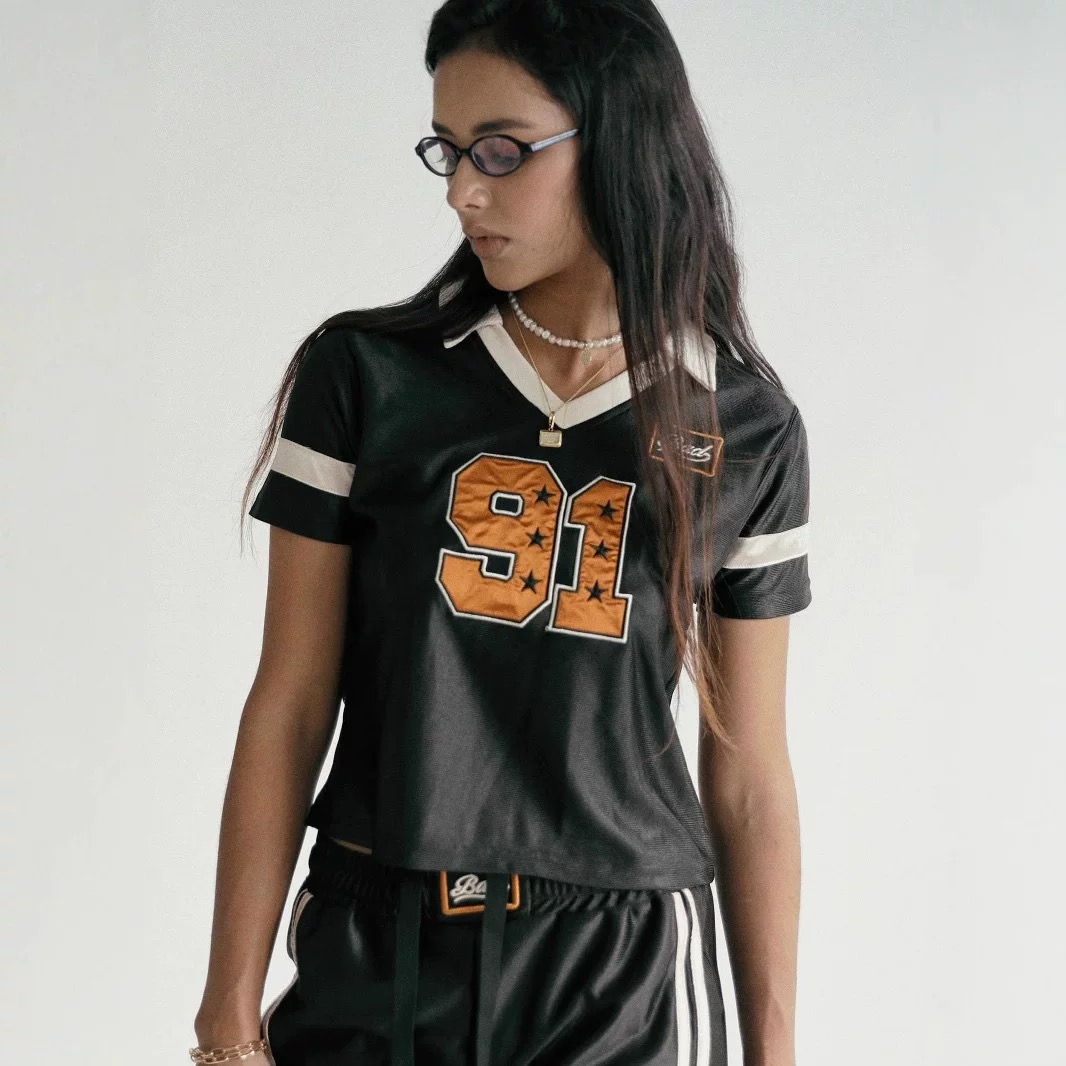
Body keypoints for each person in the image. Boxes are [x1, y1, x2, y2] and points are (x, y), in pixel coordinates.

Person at [191, 2, 811, 1064]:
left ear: (618, 136)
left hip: (613, 970)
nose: (461, 191)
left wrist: (776, 1050)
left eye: (501, 149)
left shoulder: (744, 428)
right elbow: (289, 700)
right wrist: (226, 1015)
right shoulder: (367, 377)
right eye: (449, 148)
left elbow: (749, 772)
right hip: (379, 936)